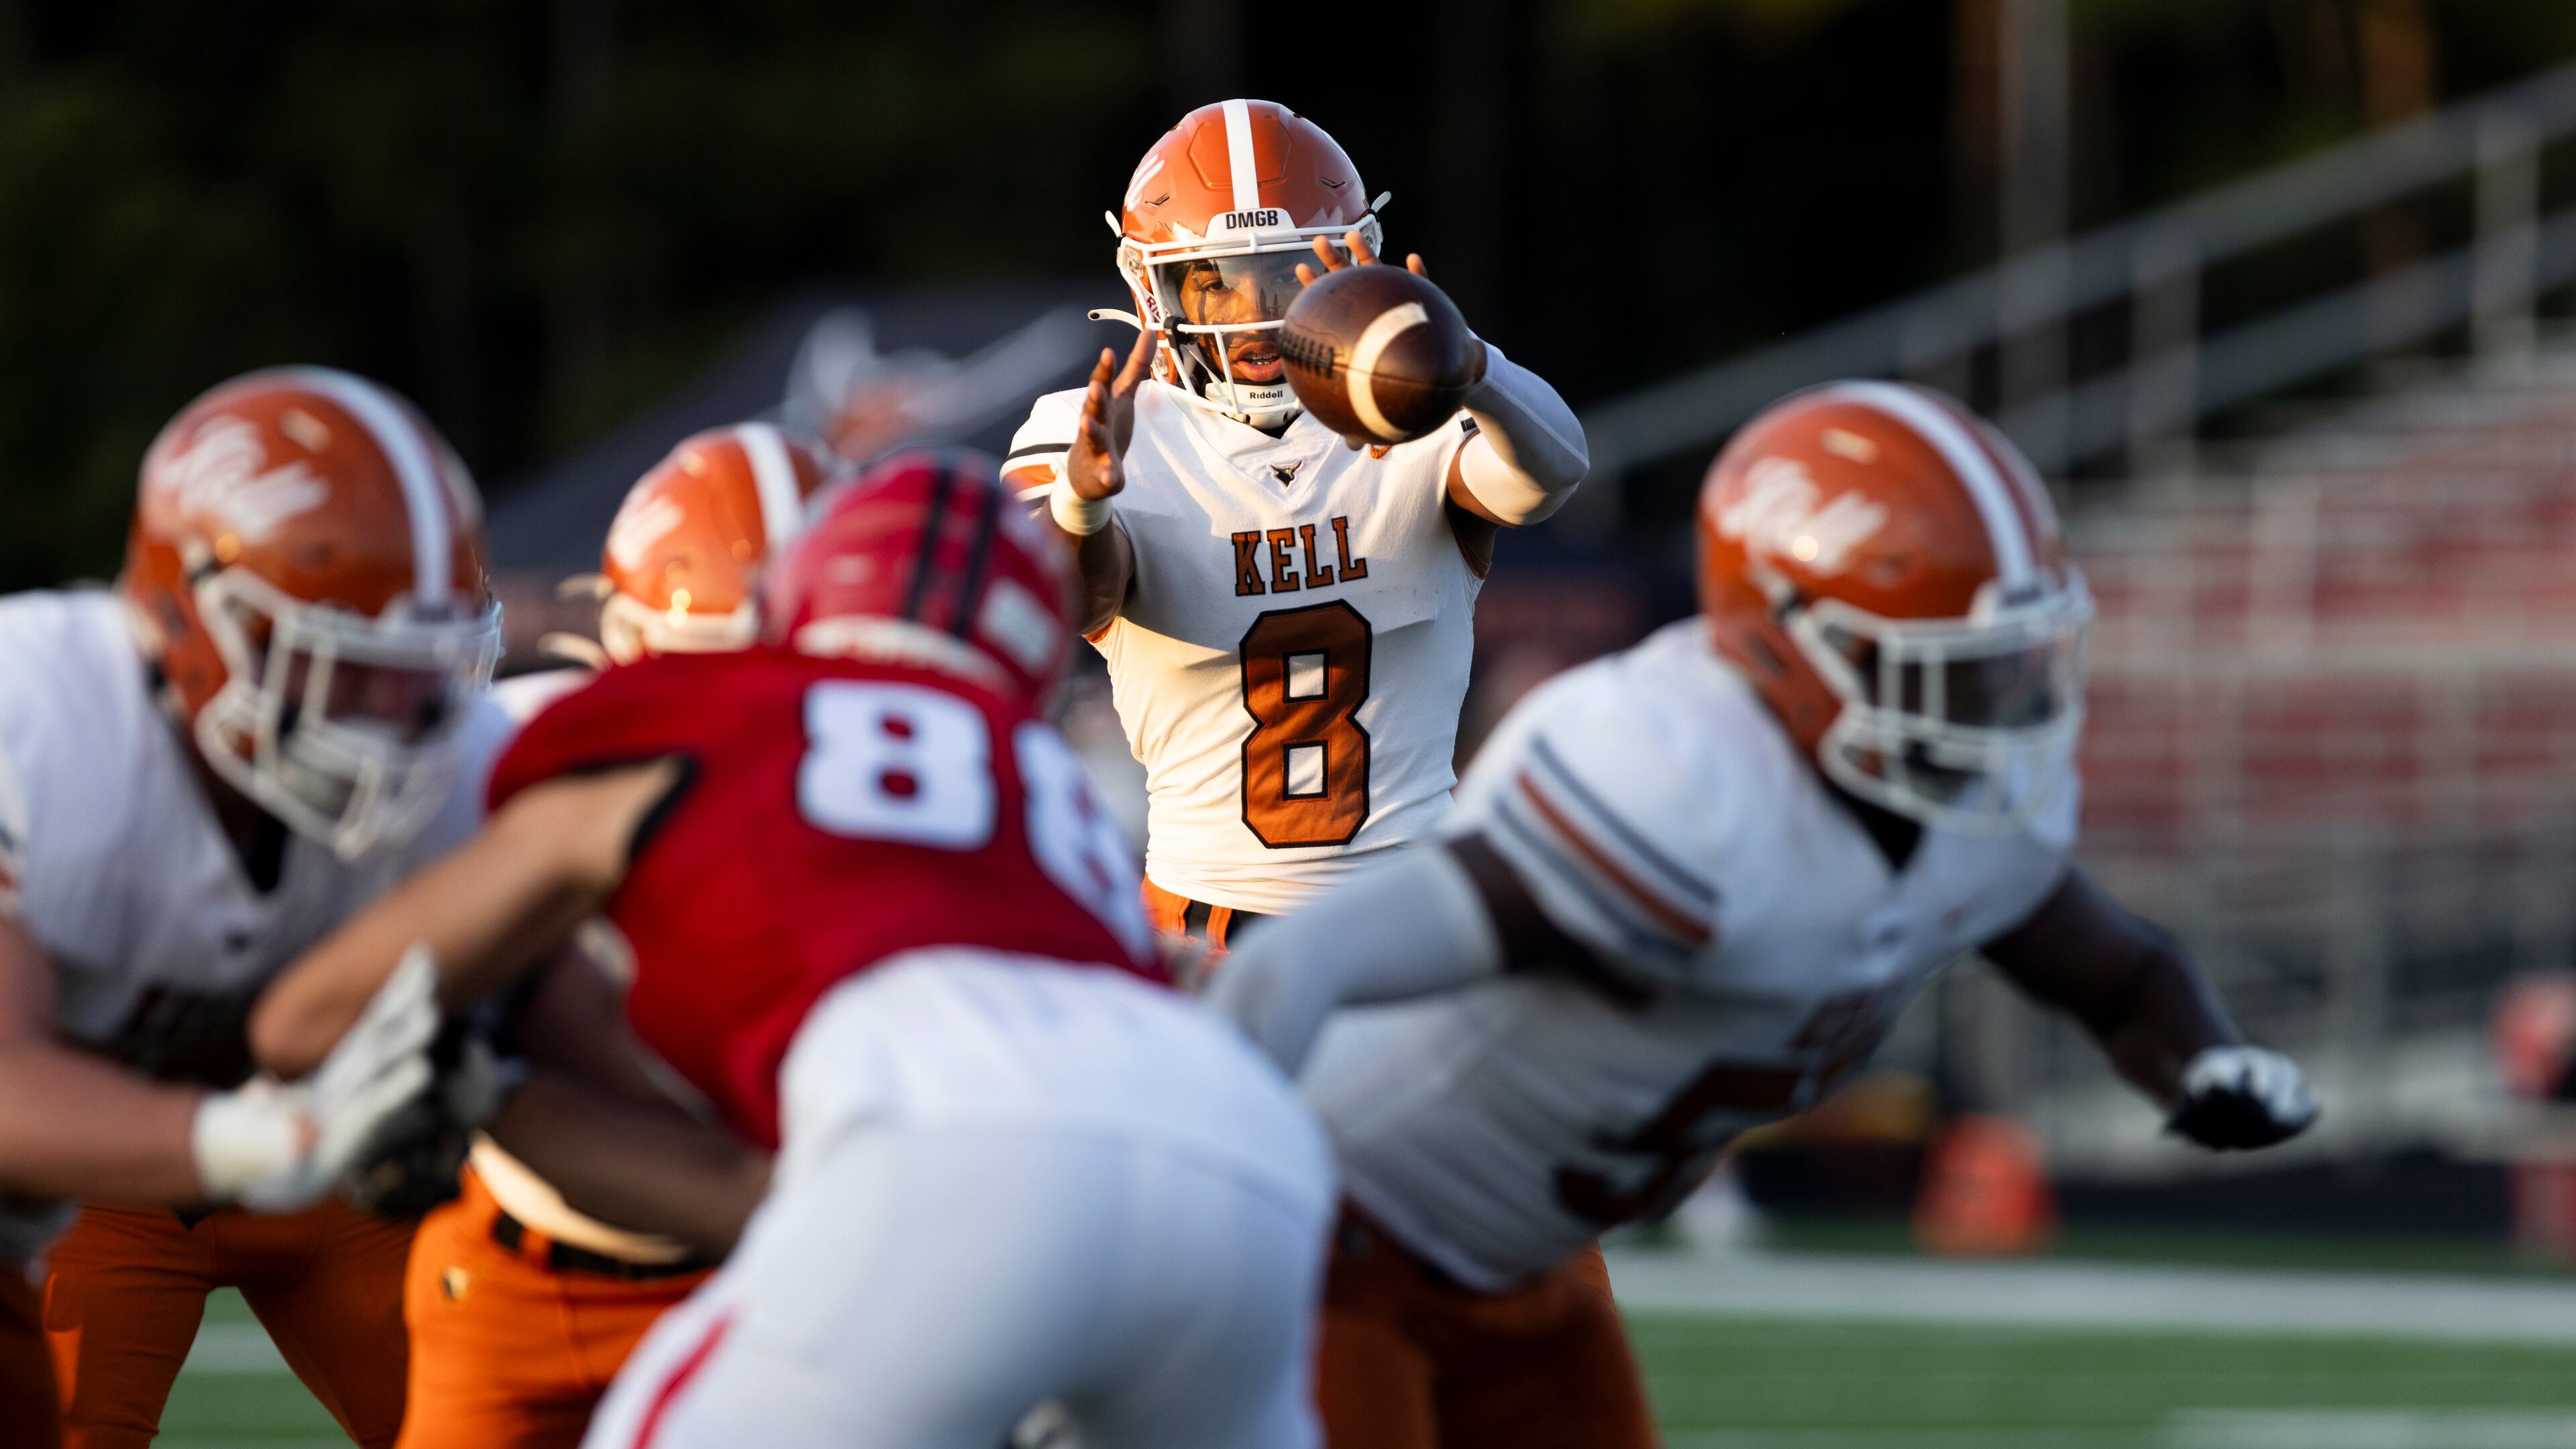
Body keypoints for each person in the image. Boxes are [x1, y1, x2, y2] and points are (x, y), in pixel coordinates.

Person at [1207, 381, 2320, 1449]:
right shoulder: (1677, 786)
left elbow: (2117, 974)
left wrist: (2203, 1064)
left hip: (1520, 1273)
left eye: (2006, 669)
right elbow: (1298, 967)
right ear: (1790, 640)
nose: (1997, 714)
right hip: (1331, 1238)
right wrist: (1198, 1211)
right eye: (1950, 674)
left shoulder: (1967, 815)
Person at [250, 450, 1336, 1449]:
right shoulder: (1044, 792)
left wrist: (416, 1068)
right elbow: (781, 1185)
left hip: (962, 1157)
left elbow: (311, 1019)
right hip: (1248, 1156)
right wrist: (501, 1100)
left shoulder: (716, 703)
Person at [0, 367, 504, 1448]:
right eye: (337, 664)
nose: (388, 718)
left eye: (411, 670)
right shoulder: (41, 722)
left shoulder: (461, 765)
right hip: (99, 1190)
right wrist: (252, 1141)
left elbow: (576, 1043)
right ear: (189, 616)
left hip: (347, 1181)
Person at [1004, 98, 1589, 949]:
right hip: (1207, 921)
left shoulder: (1413, 413)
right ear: (1152, 285)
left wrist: (1469, 365)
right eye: (1213, 277)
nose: (1251, 311)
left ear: (1355, 269)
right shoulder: (1101, 426)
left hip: (1416, 905)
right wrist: (1083, 499)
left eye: (1287, 271)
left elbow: (1552, 477)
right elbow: (1054, 598)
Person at [390, 421, 824, 1449]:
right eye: (727, 666)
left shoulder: (899, 804)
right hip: (514, 1271)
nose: (760, 705)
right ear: (627, 644)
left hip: (755, 1283)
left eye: (802, 660)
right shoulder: (515, 755)